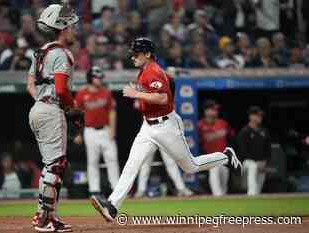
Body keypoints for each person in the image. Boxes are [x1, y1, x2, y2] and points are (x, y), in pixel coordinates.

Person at [90, 37, 242, 222]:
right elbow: (170, 83)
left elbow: (162, 98)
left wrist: (137, 94)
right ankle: (113, 206)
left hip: (166, 126)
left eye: (136, 54)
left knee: (190, 166)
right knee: (132, 165)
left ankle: (226, 156)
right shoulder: (148, 70)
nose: (132, 58)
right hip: (148, 126)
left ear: (147, 54)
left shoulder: (152, 71)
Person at [26, 3, 80, 232]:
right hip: (51, 109)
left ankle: (47, 215)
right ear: (64, 28)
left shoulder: (41, 52)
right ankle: (44, 218)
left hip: (38, 108)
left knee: (51, 165)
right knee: (56, 165)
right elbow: (60, 89)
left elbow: (30, 85)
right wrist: (73, 108)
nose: (74, 30)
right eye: (72, 27)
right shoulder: (62, 54)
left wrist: (43, 99)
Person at [74, 66, 119, 196]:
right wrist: (78, 133)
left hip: (105, 130)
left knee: (112, 159)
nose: (100, 79)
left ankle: (116, 188)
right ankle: (94, 190)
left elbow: (112, 111)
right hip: (90, 131)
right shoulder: (82, 93)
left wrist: (112, 129)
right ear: (90, 78)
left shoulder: (106, 92)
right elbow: (78, 115)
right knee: (92, 161)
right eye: (97, 77)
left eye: (100, 77)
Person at [198, 100, 235, 196]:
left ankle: (222, 201)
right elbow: (197, 143)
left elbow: (232, 138)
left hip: (223, 157)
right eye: (213, 109)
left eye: (216, 110)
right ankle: (217, 197)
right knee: (214, 172)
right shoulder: (200, 125)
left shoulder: (223, 123)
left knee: (224, 185)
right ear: (206, 111)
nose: (215, 112)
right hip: (210, 158)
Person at [237, 106, 271, 195]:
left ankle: (256, 196)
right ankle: (251, 194)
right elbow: (243, 151)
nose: (260, 117)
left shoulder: (264, 131)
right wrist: (257, 162)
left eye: (260, 116)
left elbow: (268, 149)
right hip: (246, 162)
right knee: (253, 166)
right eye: (257, 115)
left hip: (261, 162)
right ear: (251, 116)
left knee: (259, 183)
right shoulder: (244, 131)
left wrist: (265, 162)